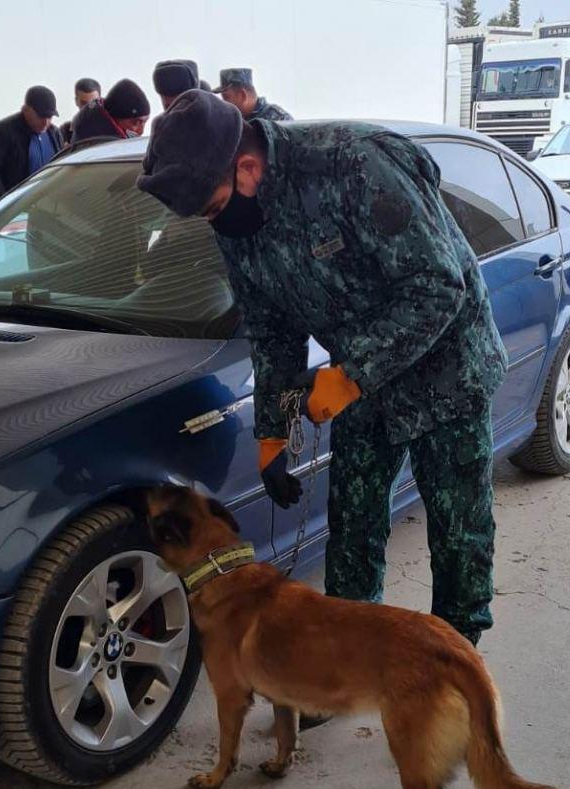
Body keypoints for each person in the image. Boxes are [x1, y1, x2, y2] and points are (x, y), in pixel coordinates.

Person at [138, 92, 507, 725]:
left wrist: (351, 372)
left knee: (457, 528)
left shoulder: (353, 166)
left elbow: (438, 285)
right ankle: (344, 670)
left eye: (216, 207)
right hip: (361, 382)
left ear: (247, 166)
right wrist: (273, 433)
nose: (214, 223)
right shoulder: (238, 220)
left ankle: (454, 666)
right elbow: (272, 326)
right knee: (355, 523)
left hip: (448, 371)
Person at [0, 86, 63, 200]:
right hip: (15, 206)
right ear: (26, 110)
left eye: (50, 117)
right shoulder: (2, 132)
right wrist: (4, 206)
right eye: (40, 116)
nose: (46, 122)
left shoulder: (54, 133)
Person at [69, 78, 151, 147]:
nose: (141, 131)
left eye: (144, 122)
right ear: (116, 117)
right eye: (135, 122)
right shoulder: (101, 147)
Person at [215, 68, 292, 121]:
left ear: (242, 96)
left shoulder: (278, 119)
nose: (223, 103)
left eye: (226, 98)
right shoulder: (234, 120)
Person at [59, 77, 101, 145]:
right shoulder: (65, 131)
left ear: (100, 101)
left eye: (93, 103)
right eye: (83, 103)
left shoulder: (112, 129)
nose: (88, 108)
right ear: (76, 101)